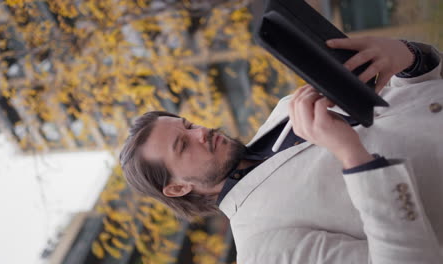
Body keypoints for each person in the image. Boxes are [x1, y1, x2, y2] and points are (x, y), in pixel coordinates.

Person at [120, 36, 443, 263]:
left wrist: (410, 58)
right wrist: (353, 158)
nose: (201, 132)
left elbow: (401, 105)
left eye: (188, 125)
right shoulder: (261, 251)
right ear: (177, 187)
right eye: (182, 144)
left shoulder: (285, 110)